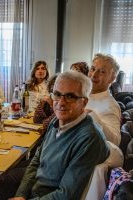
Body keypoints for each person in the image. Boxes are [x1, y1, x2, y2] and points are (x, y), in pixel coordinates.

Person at [10, 70, 109, 200]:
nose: (61, 103)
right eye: (57, 94)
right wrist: (21, 194)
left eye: (70, 96)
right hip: (34, 190)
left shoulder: (89, 138)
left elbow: (67, 195)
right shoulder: (56, 121)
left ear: (84, 102)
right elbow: (36, 161)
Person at [83, 53, 124, 199]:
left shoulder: (110, 105)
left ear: (112, 78)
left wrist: (93, 117)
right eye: (93, 69)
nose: (94, 74)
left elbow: (115, 141)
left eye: (102, 71)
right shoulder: (82, 95)